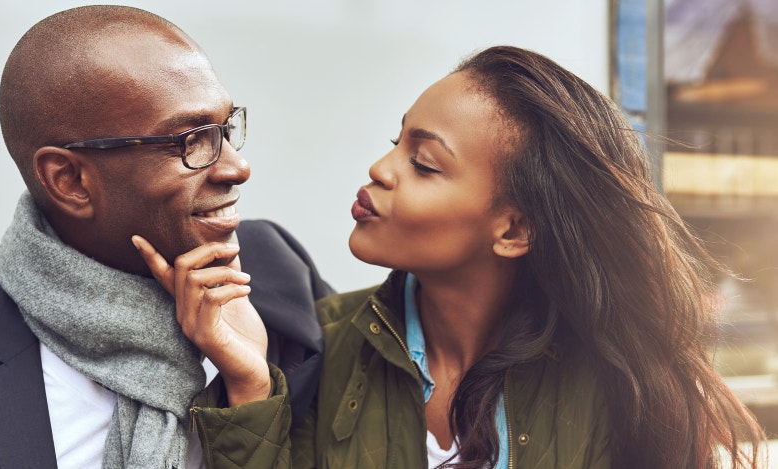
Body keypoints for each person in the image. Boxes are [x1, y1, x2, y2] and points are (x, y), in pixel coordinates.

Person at [138, 45, 767, 468]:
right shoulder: (317, 350)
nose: (380, 169)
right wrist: (248, 387)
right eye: (395, 141)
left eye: (424, 162)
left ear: (514, 231)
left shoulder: (619, 383)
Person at [0, 6, 333, 469]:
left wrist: (252, 393)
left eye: (225, 127)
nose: (237, 166)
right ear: (69, 181)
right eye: (190, 141)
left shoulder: (279, 283)